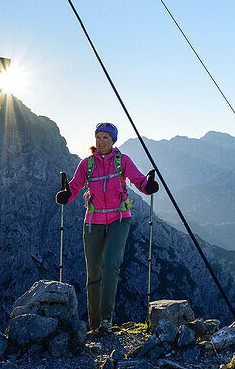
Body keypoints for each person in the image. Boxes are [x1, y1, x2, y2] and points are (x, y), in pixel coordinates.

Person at [56, 122, 159, 337]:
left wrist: (147, 187)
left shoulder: (123, 161)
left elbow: (138, 180)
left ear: (113, 141)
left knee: (111, 263)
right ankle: (94, 325)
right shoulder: (87, 164)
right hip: (93, 220)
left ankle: (106, 320)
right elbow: (75, 186)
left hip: (120, 218)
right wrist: (66, 195)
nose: (101, 141)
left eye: (105, 138)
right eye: (98, 137)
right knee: (93, 272)